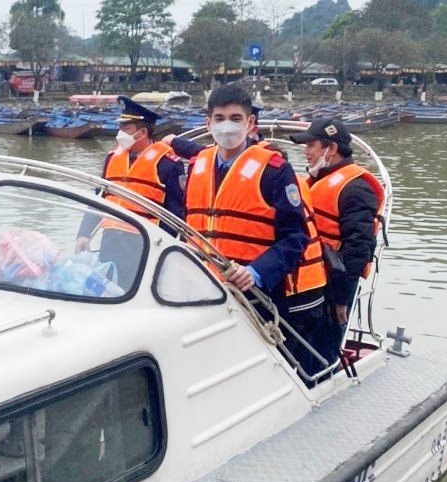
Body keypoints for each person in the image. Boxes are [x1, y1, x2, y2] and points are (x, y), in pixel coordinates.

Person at [162, 84, 328, 376]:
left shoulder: (274, 169)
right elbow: (189, 225)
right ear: (208, 123)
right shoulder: (198, 164)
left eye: (236, 118)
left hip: (256, 294)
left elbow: (295, 237)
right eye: (220, 117)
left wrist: (255, 272)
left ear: (250, 123)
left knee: (262, 370)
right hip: (203, 288)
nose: (228, 125)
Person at [289, 118, 384, 354]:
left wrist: (340, 299)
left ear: (330, 149)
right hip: (308, 282)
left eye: (311, 145)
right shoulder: (316, 181)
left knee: (322, 349)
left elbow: (358, 248)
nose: (306, 152)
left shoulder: (356, 188)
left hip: (332, 287)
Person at [76, 95, 186, 290]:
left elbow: (177, 214)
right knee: (106, 291)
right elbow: (99, 197)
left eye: (126, 129)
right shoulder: (112, 158)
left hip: (144, 244)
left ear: (142, 132)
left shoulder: (168, 164)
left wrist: (163, 249)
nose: (120, 134)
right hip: (110, 241)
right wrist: (84, 233)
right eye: (121, 128)